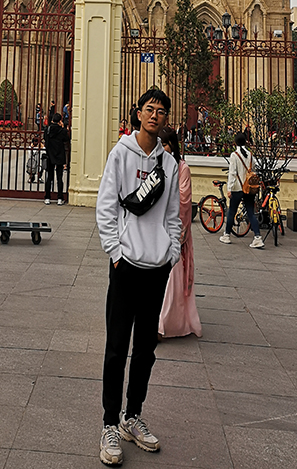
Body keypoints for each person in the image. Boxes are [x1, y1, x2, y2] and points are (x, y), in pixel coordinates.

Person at [96, 90, 181, 466]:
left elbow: (173, 215)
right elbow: (106, 205)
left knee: (145, 349)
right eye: (150, 109)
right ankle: (109, 423)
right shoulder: (121, 153)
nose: (155, 116)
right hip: (126, 265)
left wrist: (171, 253)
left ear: (166, 119)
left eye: (161, 111)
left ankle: (132, 416)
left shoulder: (170, 164)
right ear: (139, 113)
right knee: (117, 347)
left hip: (157, 268)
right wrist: (115, 253)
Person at [158, 126, 202, 339]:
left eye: (165, 144)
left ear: (172, 146)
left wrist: (178, 231)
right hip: (155, 228)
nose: (162, 148)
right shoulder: (154, 163)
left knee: (172, 278)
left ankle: (163, 324)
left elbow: (184, 200)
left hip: (174, 229)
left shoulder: (182, 168)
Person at [219, 132, 264, 249]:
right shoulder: (250, 155)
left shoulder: (234, 155)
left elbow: (232, 173)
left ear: (235, 142)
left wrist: (229, 188)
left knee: (232, 212)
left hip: (237, 188)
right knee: (250, 212)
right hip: (248, 188)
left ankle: (227, 235)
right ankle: (257, 237)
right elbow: (254, 168)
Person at [43, 113, 69, 205]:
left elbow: (45, 139)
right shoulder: (62, 131)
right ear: (60, 121)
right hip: (59, 155)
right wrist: (63, 128)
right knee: (59, 177)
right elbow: (66, 139)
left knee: (49, 177)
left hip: (50, 155)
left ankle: (47, 197)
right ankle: (60, 198)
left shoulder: (48, 130)